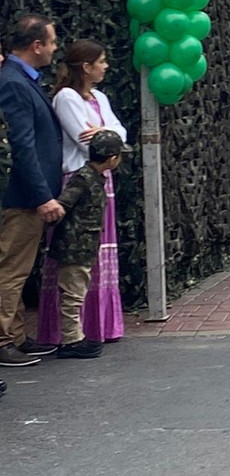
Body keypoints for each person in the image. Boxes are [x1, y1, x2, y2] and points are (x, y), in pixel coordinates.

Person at [38, 40, 127, 346]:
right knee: (78, 249)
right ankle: (71, 329)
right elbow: (87, 142)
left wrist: (106, 133)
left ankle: (99, 324)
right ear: (86, 67)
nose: (105, 67)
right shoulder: (66, 97)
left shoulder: (100, 97)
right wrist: (108, 134)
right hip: (78, 177)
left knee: (100, 247)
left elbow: (119, 135)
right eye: (101, 62)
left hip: (102, 179)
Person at [0, 14, 64, 367]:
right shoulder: (13, 82)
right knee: (10, 269)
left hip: (28, 195)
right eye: (51, 42)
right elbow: (21, 145)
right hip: (22, 197)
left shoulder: (22, 79)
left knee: (18, 268)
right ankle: (3, 339)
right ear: (36, 45)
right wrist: (42, 196)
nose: (54, 48)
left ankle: (17, 336)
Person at [47, 130, 127, 360]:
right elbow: (64, 204)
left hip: (83, 246)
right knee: (72, 294)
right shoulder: (83, 178)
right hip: (74, 247)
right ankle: (71, 340)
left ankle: (75, 337)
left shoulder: (93, 177)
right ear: (112, 158)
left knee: (77, 291)